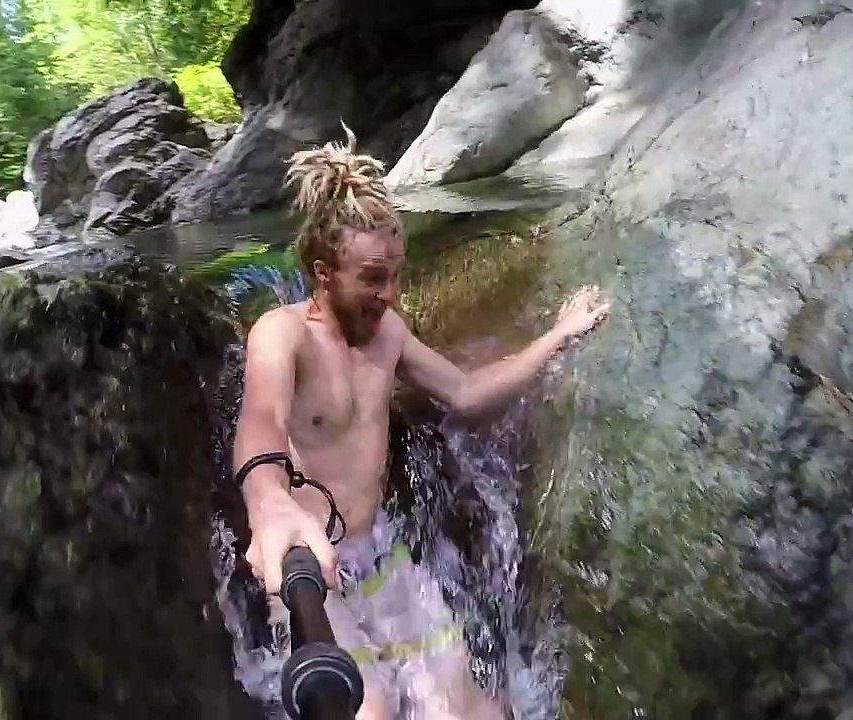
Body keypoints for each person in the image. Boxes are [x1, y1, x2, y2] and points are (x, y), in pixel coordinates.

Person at [232, 128, 610, 719]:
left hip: (380, 552)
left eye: (395, 275)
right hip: (310, 568)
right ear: (323, 271)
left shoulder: (388, 334)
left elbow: (464, 393)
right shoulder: (282, 335)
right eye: (372, 277)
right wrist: (268, 502)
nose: (388, 294)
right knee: (370, 708)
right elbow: (260, 419)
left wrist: (556, 338)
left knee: (473, 711)